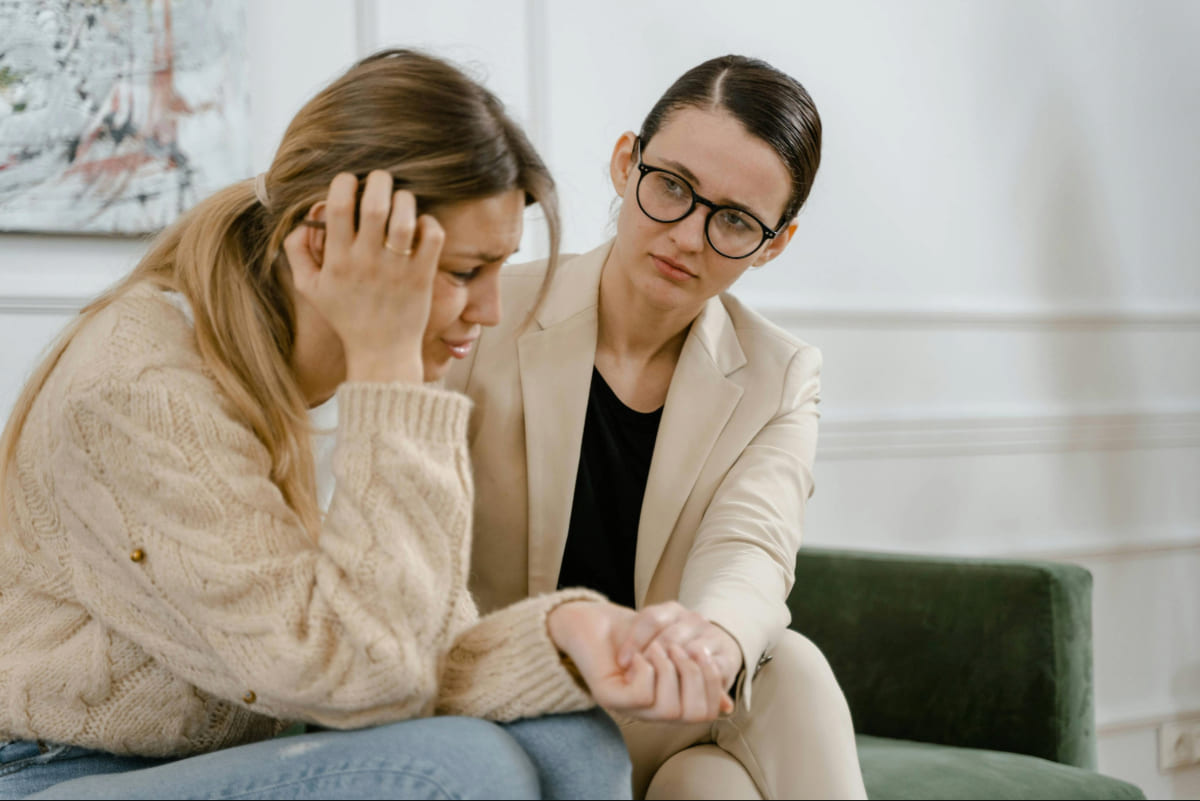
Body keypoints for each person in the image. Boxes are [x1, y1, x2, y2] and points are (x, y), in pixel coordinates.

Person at [0, 49, 726, 800]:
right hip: (52, 770)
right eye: (463, 272)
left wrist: (568, 633)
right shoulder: (145, 384)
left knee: (571, 740)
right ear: (326, 242)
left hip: (218, 752)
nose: (490, 311)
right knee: (461, 768)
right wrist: (391, 368)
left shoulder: (304, 364)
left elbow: (408, 638)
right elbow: (360, 675)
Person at [446, 54, 868, 799]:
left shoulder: (779, 374)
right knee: (716, 774)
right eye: (672, 186)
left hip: (665, 702)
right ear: (625, 162)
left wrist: (708, 645)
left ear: (775, 242)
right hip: (511, 702)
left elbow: (752, 548)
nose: (688, 236)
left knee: (737, 740)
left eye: (735, 219)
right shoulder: (484, 314)